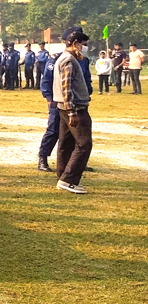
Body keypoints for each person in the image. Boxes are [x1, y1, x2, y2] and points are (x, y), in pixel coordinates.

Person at [53, 27, 93, 194]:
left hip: (64, 107)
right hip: (74, 108)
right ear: (75, 43)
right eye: (83, 44)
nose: (84, 47)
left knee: (66, 143)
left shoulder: (65, 58)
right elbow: (67, 88)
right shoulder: (69, 60)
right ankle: (68, 180)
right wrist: (72, 112)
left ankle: (63, 175)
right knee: (84, 144)